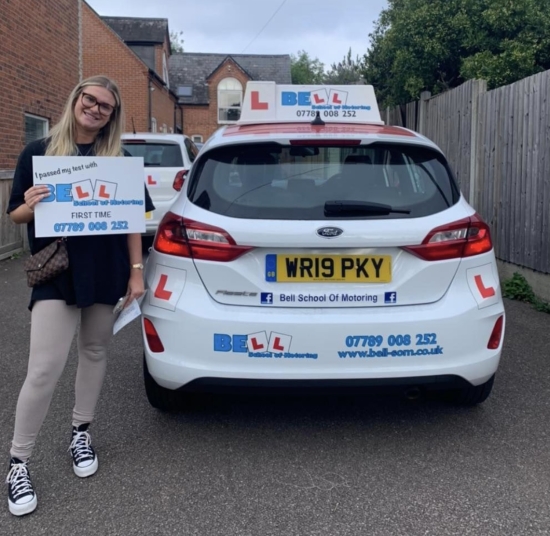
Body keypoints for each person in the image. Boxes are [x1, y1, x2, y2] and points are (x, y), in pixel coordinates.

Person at [5, 75, 154, 516]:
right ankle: (18, 461)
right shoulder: (39, 152)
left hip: (106, 269)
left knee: (94, 352)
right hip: (58, 268)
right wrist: (31, 204)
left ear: (112, 116)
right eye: (90, 100)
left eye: (105, 106)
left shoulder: (119, 161)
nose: (95, 109)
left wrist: (137, 273)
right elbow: (15, 212)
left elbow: (133, 221)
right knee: (44, 368)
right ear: (76, 101)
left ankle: (80, 433)